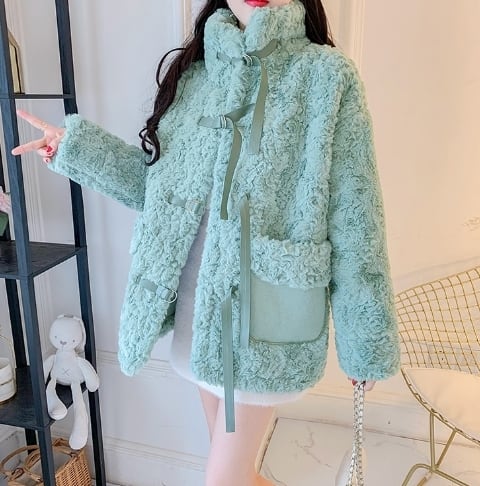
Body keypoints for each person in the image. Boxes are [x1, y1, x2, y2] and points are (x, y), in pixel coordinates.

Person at [12, 0, 400, 484]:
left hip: (263, 324)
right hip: (195, 313)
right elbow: (156, 189)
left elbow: (357, 218)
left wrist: (365, 342)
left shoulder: (326, 76)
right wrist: (74, 148)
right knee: (240, 477)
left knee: (223, 480)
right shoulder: (196, 75)